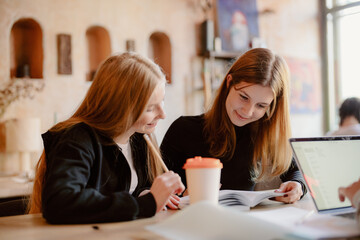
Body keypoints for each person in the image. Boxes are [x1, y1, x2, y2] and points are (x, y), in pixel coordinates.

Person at [27, 52, 185, 224]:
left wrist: (144, 194)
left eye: (162, 101)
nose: (163, 115)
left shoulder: (140, 137)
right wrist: (147, 203)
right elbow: (60, 203)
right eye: (150, 108)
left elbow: (128, 193)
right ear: (120, 107)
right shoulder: (76, 139)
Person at [161, 48, 306, 204]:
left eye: (261, 106)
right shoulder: (183, 130)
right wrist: (182, 195)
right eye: (244, 97)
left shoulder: (263, 133)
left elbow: (295, 170)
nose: (248, 111)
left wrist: (298, 185)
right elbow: (152, 186)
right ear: (229, 82)